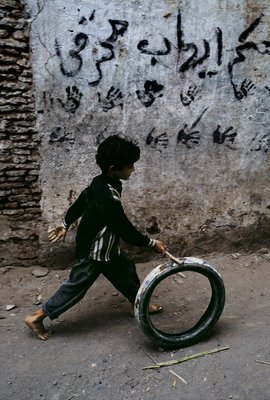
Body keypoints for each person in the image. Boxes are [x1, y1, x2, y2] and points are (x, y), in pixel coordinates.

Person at [25, 135, 167, 340]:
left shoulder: (102, 182)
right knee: (77, 287)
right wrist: (152, 243)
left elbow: (82, 201)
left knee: (126, 271)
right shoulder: (108, 198)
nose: (133, 170)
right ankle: (38, 317)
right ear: (112, 168)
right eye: (129, 166)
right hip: (94, 251)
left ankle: (138, 303)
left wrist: (65, 223)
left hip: (108, 247)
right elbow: (124, 229)